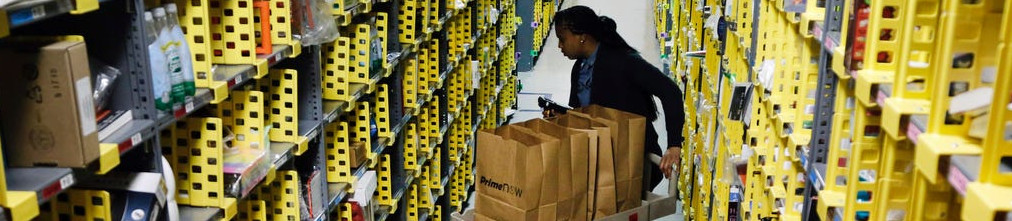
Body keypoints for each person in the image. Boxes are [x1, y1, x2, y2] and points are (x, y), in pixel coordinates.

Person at [549, 5, 686, 191]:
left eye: (562, 39)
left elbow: (671, 92)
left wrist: (674, 146)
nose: (559, 46)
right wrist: (562, 117)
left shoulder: (624, 62)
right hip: (601, 157)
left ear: (582, 37)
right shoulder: (579, 69)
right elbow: (587, 113)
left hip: (632, 160)